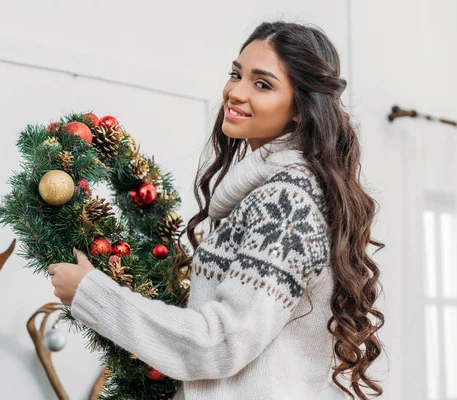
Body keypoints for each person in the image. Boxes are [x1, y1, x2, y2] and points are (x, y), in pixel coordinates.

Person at [48, 20, 385, 400]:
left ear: (300, 109)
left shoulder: (286, 200)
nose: (236, 92)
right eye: (235, 74)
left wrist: (91, 294)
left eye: (262, 84)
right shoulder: (270, 193)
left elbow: (222, 341)